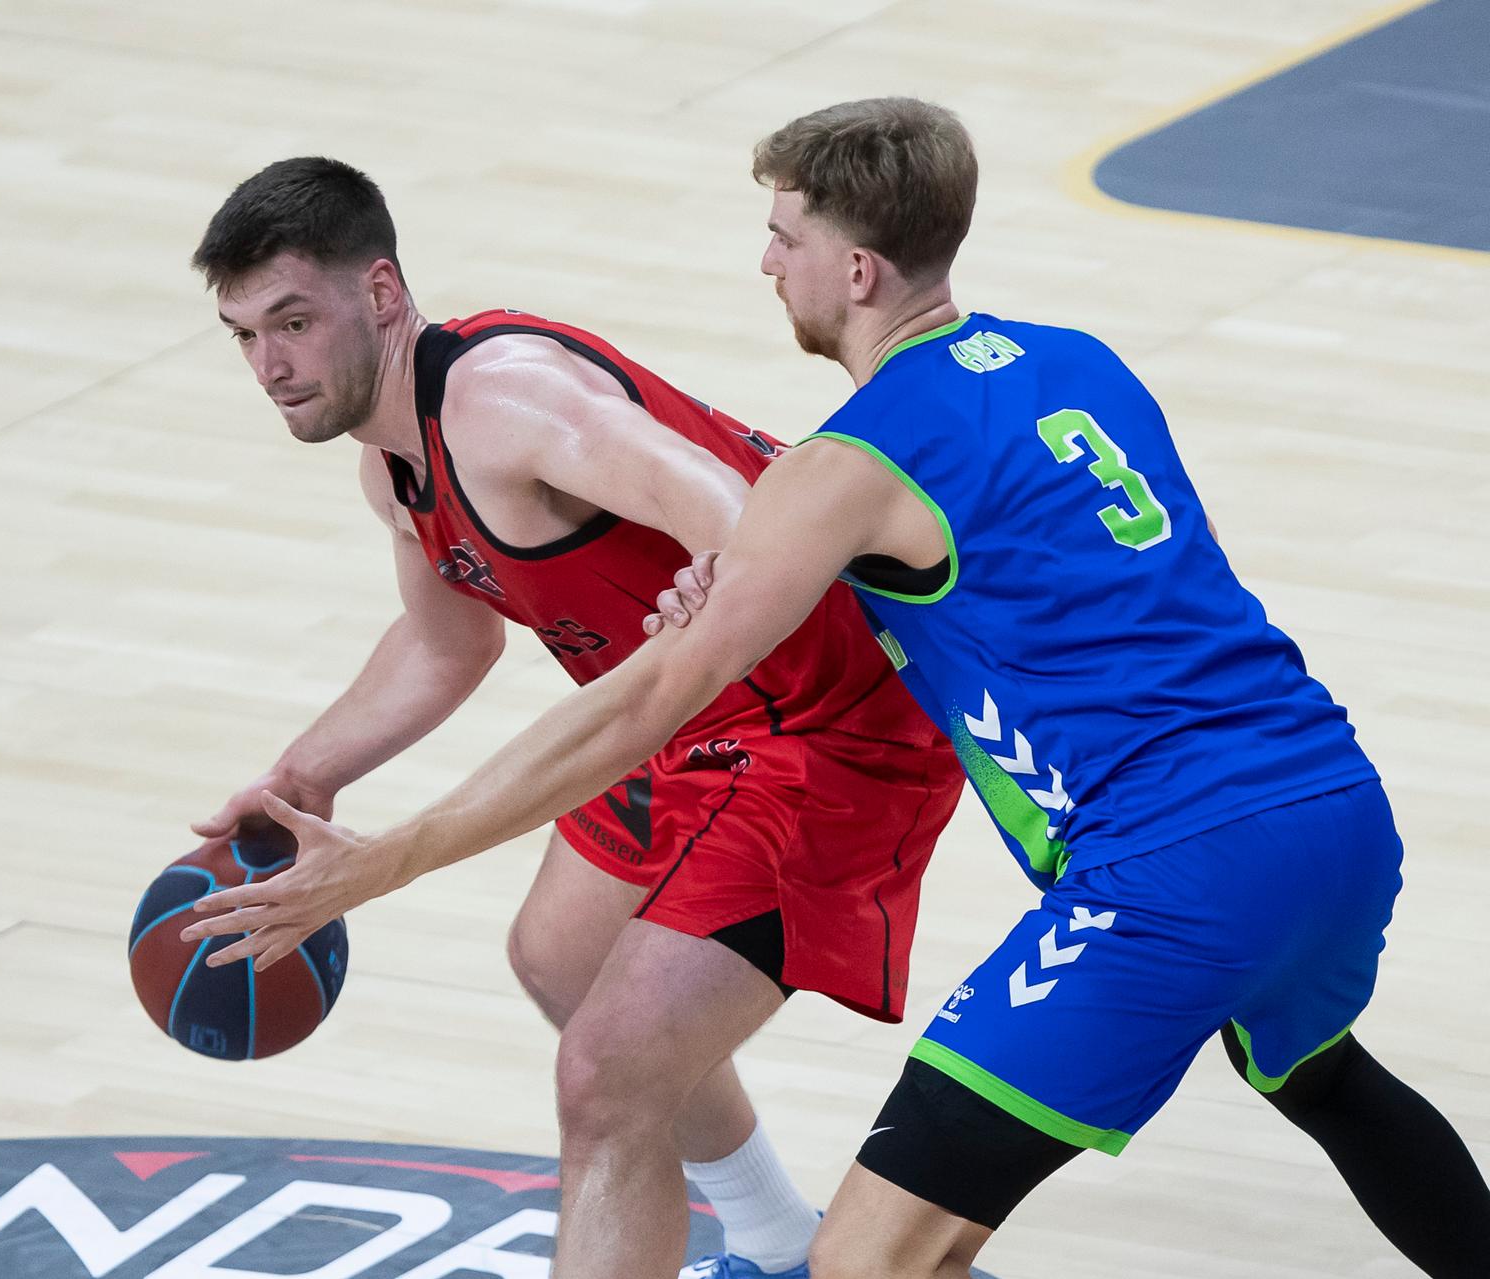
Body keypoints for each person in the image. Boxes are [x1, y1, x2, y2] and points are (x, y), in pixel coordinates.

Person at [187, 103, 1490, 1278]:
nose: (768, 263)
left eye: (783, 236)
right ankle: (765, 1237)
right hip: (1332, 803)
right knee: (1324, 1080)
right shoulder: (1078, 361)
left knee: (864, 1256)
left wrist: (395, 856)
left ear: (854, 270)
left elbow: (664, 673)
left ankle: (787, 1246)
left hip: (1158, 871)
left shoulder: (842, 465)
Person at [181, 156, 963, 1279]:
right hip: (692, 714)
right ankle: (779, 1244)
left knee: (606, 1080)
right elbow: (448, 642)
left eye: (294, 323)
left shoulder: (504, 401)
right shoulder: (396, 468)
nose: (271, 366)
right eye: (246, 335)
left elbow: (731, 502)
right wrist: (306, 774)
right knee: (560, 954)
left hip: (827, 721)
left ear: (382, 293)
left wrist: (716, 567)